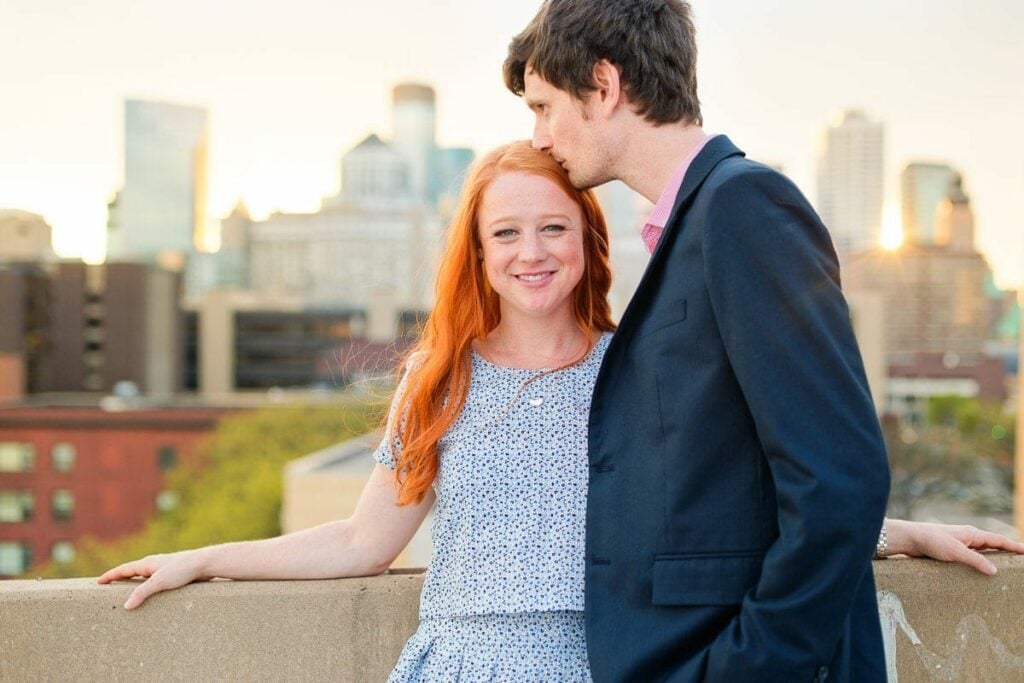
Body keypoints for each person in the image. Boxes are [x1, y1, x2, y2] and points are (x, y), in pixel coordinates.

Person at [98, 142, 1022, 681]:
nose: (531, 251)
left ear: (589, 238)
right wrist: (204, 556)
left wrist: (901, 531)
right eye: (506, 232)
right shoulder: (437, 377)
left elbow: (743, 511)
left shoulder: (642, 369)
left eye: (553, 227)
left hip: (607, 662)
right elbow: (359, 542)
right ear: (478, 250)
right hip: (458, 664)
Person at [502, 2, 1023, 681]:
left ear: (603, 86)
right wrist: (895, 534)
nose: (539, 136)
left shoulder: (743, 207)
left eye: (544, 106)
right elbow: (736, 480)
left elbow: (836, 479)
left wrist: (746, 670)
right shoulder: (693, 226)